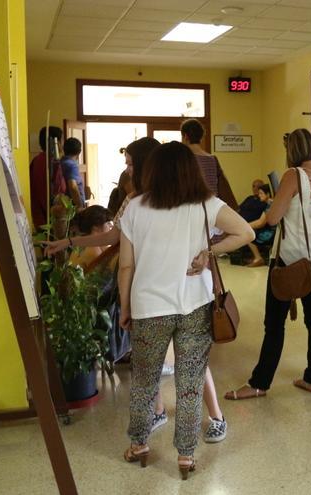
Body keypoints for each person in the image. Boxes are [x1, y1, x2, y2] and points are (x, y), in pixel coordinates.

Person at [45, 137, 232, 444]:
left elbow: (224, 231)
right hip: (153, 294)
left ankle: (215, 416)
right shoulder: (134, 202)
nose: (127, 169)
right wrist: (68, 242)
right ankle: (161, 415)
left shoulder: (181, 199)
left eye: (131, 163)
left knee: (191, 363)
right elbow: (113, 239)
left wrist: (208, 253)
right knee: (151, 361)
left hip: (185, 294)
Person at [118, 141, 252, 479]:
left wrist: (124, 307)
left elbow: (125, 267)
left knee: (145, 380)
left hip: (148, 307)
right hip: (194, 305)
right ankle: (186, 456)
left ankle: (139, 444)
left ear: (152, 171)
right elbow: (246, 232)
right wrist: (211, 253)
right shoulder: (207, 204)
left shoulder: (136, 208)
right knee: (190, 381)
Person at [224, 128, 311, 399]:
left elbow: (273, 218)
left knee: (274, 323)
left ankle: (259, 384)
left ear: (292, 151)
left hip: (289, 260)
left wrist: (280, 201)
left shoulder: (293, 175)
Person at [180, 118, 239, 210]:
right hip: (212, 207)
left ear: (185, 136)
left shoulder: (183, 158)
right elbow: (222, 187)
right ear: (201, 136)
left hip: (191, 206)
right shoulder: (212, 159)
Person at [29, 126, 64, 228]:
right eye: (61, 141)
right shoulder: (53, 162)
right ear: (55, 142)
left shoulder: (36, 160)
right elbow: (57, 190)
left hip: (38, 216)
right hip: (50, 217)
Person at [244, 184, 276, 267]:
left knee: (247, 233)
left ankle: (258, 258)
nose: (259, 195)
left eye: (261, 193)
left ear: (268, 194)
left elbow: (260, 223)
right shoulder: (270, 203)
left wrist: (245, 226)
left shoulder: (271, 204)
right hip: (271, 230)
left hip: (271, 233)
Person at [61, 137, 86, 208]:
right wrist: (80, 206)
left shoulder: (61, 162)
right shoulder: (72, 165)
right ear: (79, 151)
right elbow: (73, 186)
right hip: (73, 207)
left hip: (63, 204)